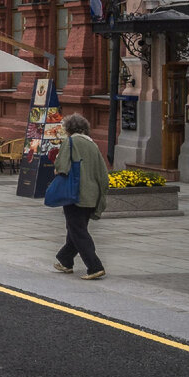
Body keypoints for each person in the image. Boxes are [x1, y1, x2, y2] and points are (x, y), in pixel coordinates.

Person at [52, 113, 110, 280]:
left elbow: (61, 167)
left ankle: (95, 266)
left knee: (78, 231)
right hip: (92, 194)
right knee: (75, 228)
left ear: (69, 129)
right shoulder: (93, 145)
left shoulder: (70, 142)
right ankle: (65, 260)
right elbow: (103, 174)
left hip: (75, 193)